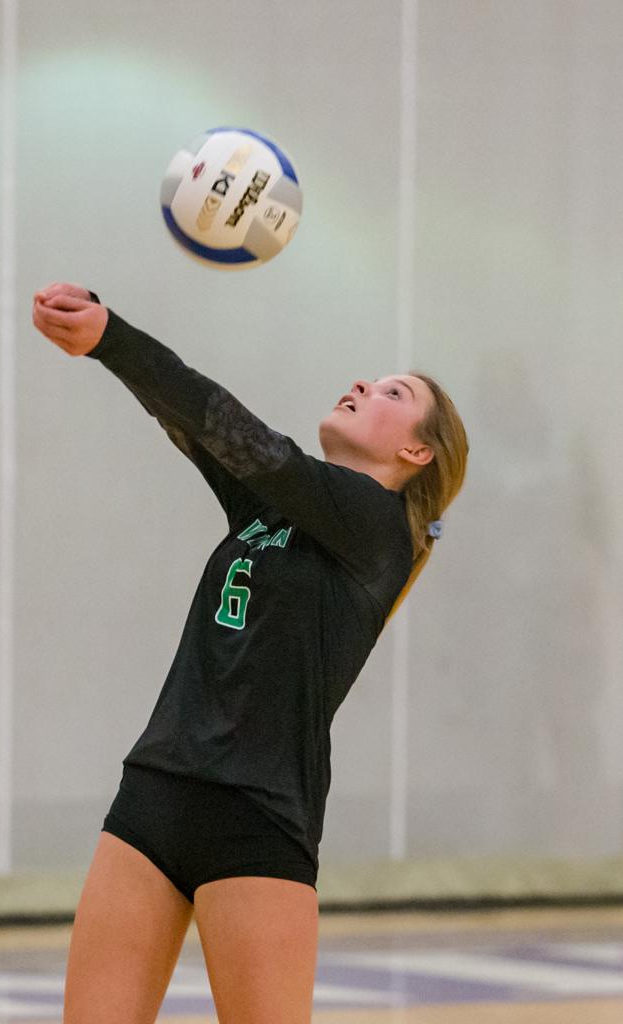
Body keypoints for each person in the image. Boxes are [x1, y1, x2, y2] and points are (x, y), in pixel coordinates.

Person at [32, 282, 469, 1024]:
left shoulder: (377, 526)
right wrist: (101, 341)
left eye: (392, 390)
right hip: (154, 795)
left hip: (256, 818)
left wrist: (114, 338)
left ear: (414, 451)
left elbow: (243, 435)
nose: (363, 384)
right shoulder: (270, 509)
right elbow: (196, 423)